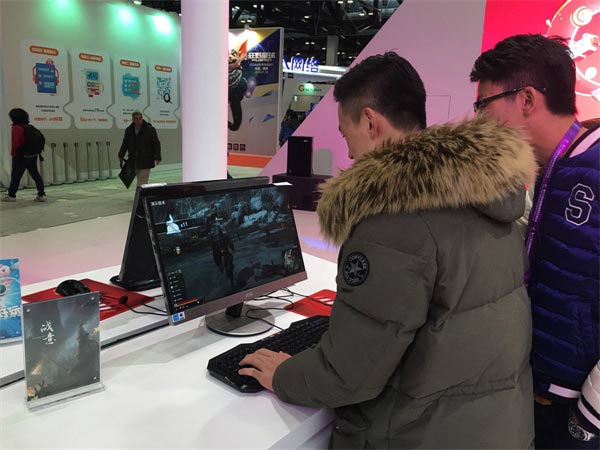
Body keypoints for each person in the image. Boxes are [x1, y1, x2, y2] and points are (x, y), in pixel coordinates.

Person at [239, 52, 536, 448]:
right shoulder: (485, 194)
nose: (348, 154)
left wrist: (283, 374)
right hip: (497, 429)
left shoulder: (394, 220)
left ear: (370, 121)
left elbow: (348, 375)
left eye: (346, 135)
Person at [470, 34, 599, 449]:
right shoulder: (551, 169)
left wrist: (592, 413)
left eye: (483, 104)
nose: (479, 120)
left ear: (526, 99)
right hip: (539, 384)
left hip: (579, 408)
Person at [2, 108, 46, 202]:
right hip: (32, 155)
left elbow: (16, 144)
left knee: (16, 176)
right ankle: (41, 195)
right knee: (35, 175)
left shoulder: (16, 128)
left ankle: (11, 195)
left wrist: (14, 155)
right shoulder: (30, 127)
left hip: (20, 156)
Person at [118, 111, 161, 187]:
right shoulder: (129, 130)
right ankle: (146, 193)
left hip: (146, 160)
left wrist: (157, 157)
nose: (138, 120)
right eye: (136, 119)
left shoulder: (150, 129)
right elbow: (125, 143)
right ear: (133, 120)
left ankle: (140, 194)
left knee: (141, 183)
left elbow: (156, 144)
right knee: (143, 182)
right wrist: (121, 155)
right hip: (133, 160)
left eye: (140, 118)